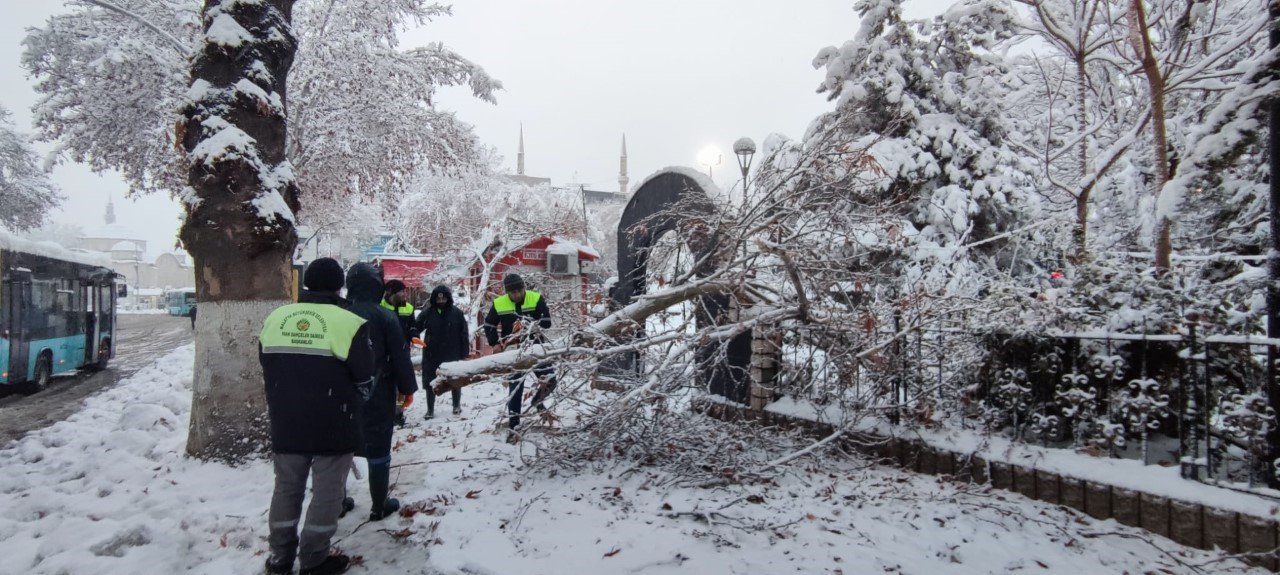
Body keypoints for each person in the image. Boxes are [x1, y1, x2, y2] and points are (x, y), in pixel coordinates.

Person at [260, 258, 375, 575]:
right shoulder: (349, 322)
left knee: (286, 488)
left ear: (307, 282)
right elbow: (365, 380)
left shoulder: (276, 318)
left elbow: (266, 363)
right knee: (327, 493)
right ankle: (313, 558)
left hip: (286, 421)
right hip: (333, 423)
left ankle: (279, 557)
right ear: (340, 286)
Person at [344, 263, 419, 521]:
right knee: (378, 447)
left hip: (339, 393)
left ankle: (338, 501)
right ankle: (379, 504)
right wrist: (407, 389)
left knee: (340, 447)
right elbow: (400, 357)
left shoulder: (338, 313)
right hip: (378, 390)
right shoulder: (385, 317)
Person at [483, 273, 556, 442]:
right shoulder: (499, 303)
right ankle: (514, 428)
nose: (516, 295)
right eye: (512, 293)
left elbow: (547, 321)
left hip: (536, 348)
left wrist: (531, 323)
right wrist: (494, 343)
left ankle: (537, 401)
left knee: (551, 381)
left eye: (519, 291)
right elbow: (489, 324)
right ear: (506, 292)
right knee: (516, 389)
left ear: (524, 288)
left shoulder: (536, 298)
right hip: (513, 352)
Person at [416, 284, 470, 419]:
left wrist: (464, 352)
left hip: (452, 352)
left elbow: (464, 333)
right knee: (430, 381)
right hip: (431, 353)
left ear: (448, 299)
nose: (441, 302)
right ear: (434, 300)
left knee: (455, 379)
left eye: (443, 299)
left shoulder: (456, 313)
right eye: (438, 300)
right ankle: (430, 409)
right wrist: (414, 336)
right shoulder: (427, 313)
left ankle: (456, 405)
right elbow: (415, 327)